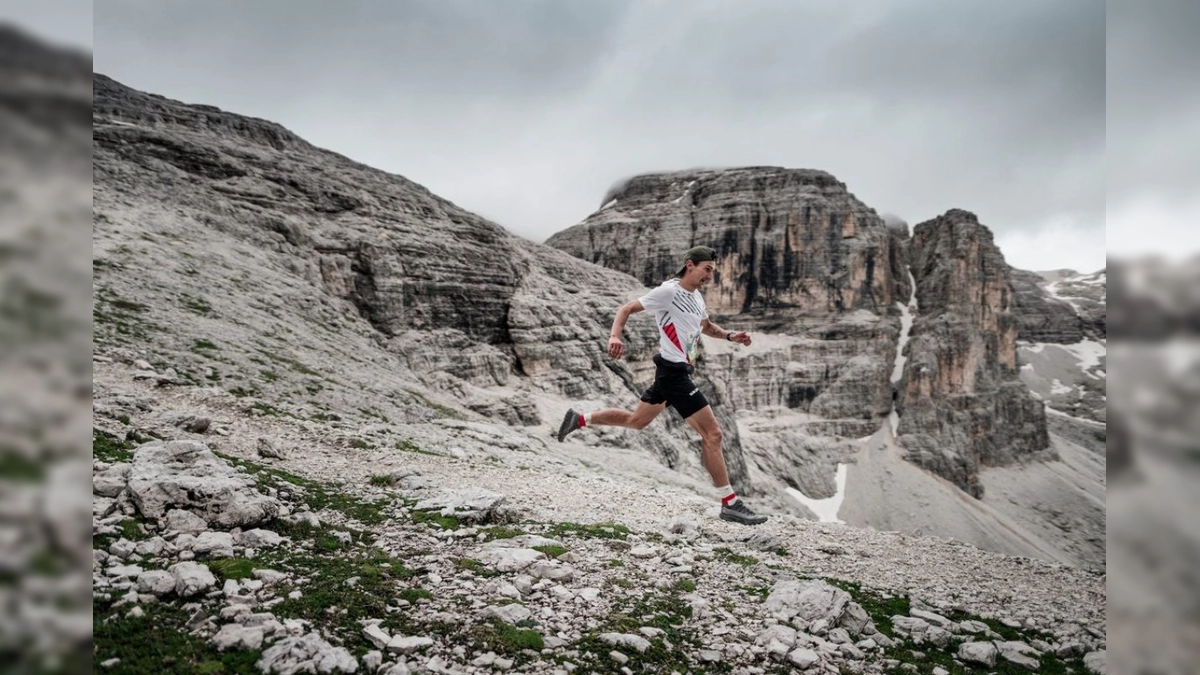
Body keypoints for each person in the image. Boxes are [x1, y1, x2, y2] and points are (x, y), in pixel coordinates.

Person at [556, 245, 768, 526]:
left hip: (674, 373)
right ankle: (730, 504)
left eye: (713, 271)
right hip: (674, 375)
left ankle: (580, 419)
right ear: (690, 265)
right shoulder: (669, 291)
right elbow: (627, 308)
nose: (710, 276)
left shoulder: (696, 297)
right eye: (707, 269)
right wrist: (615, 336)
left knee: (636, 421)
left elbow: (705, 326)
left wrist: (731, 336)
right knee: (713, 435)